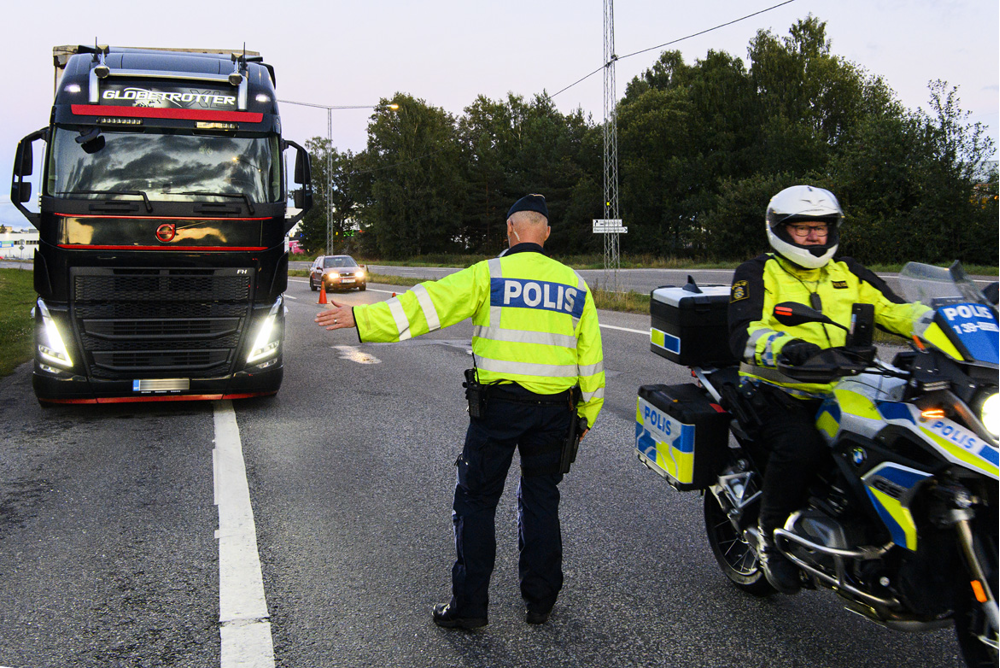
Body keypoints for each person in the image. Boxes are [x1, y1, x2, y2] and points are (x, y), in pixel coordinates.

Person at [316, 194, 605, 627]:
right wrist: (585, 416)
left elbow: (426, 306)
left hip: (499, 410)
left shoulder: (489, 275)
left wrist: (363, 320)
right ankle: (541, 601)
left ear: (510, 230)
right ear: (545, 233)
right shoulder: (575, 286)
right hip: (554, 412)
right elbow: (591, 360)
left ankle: (470, 608)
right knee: (542, 499)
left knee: (476, 502)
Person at [728, 185, 929, 594]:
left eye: (820, 228)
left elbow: (896, 310)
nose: (813, 237)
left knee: (912, 435)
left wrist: (942, 323)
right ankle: (771, 540)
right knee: (801, 446)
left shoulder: (848, 270)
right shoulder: (757, 272)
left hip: (848, 383)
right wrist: (788, 347)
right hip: (778, 387)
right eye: (802, 229)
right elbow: (744, 330)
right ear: (779, 230)